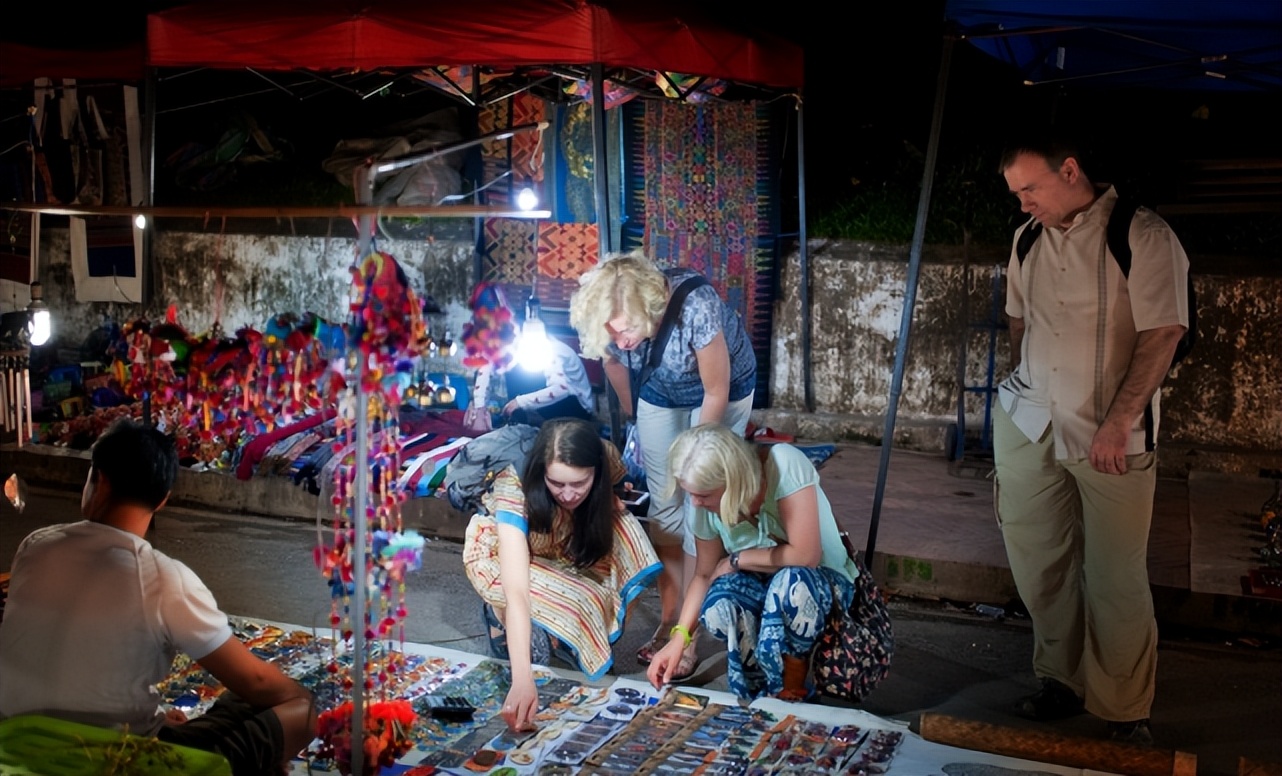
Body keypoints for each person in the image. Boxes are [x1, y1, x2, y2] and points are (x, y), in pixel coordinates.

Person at [994, 132, 1190, 746]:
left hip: (1111, 435)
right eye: (1016, 193)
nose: (1022, 204)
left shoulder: (1142, 234)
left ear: (1070, 170)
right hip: (1030, 424)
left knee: (1115, 576)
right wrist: (1020, 390)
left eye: (1030, 189)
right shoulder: (1027, 238)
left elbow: (1164, 334)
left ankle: (1125, 708)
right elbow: (1018, 321)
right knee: (1039, 563)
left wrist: (1119, 421)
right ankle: (1062, 680)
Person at [0, 418, 316, 775]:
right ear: (163, 500)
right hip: (119, 761)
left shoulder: (35, 545)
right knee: (297, 710)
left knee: (240, 704)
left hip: (18, 738)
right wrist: (302, 696)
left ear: (97, 480)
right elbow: (256, 682)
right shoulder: (165, 579)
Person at [570, 249, 756, 680]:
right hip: (660, 388)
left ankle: (685, 636)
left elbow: (716, 390)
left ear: (649, 310)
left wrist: (693, 460)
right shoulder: (609, 324)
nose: (620, 336)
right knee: (664, 507)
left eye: (628, 328)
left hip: (718, 390)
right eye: (612, 330)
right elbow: (616, 367)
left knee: (697, 503)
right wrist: (639, 420)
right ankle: (670, 617)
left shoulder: (697, 306)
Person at [462, 417, 660, 733]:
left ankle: (571, 637)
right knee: (533, 598)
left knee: (628, 530)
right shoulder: (514, 485)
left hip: (559, 537)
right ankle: (497, 616)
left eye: (579, 483)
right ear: (541, 473)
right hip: (502, 553)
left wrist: (608, 495)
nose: (568, 494)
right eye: (557, 484)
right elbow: (517, 590)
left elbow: (618, 484)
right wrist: (522, 679)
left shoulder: (605, 454)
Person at [645, 424, 858, 701]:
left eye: (704, 494)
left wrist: (737, 559)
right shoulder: (703, 506)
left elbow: (806, 555)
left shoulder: (782, 463)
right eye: (690, 493)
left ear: (734, 481)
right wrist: (679, 639)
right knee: (719, 602)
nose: (695, 503)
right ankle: (753, 686)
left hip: (821, 582)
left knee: (790, 585)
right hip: (762, 582)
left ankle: (793, 681)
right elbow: (704, 575)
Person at [500, 334, 596, 426]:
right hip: (567, 401)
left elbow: (561, 389)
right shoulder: (538, 346)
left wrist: (519, 402)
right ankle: (516, 418)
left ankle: (522, 418)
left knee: (517, 372)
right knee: (515, 367)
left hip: (579, 411)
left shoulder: (552, 350)